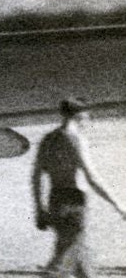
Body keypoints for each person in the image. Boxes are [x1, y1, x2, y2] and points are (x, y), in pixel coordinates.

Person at [31, 97, 126, 277]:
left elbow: (36, 176)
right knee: (63, 262)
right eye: (87, 115)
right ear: (80, 115)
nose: (88, 119)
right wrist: (118, 204)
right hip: (74, 203)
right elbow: (92, 178)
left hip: (55, 200)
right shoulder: (76, 140)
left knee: (82, 263)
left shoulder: (47, 140)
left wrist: (39, 209)